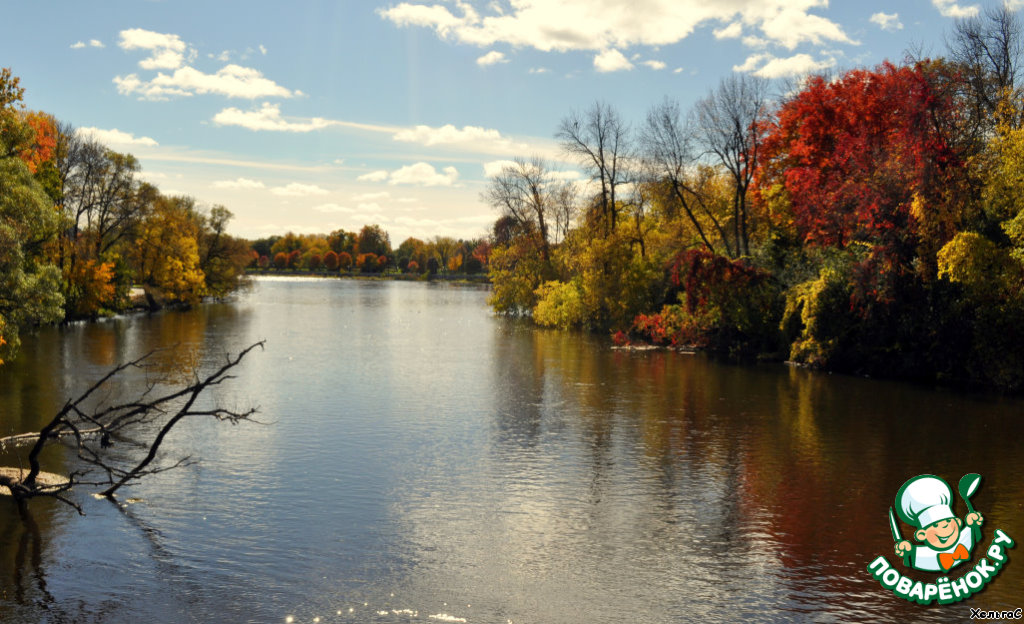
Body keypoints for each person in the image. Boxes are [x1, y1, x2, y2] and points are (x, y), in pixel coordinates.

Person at [894, 475, 983, 573]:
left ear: (958, 522)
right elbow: (911, 555)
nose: (945, 527)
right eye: (935, 525)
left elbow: (973, 532)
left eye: (948, 521)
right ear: (922, 535)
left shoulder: (965, 539)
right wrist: (906, 550)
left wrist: (973, 522)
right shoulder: (924, 556)